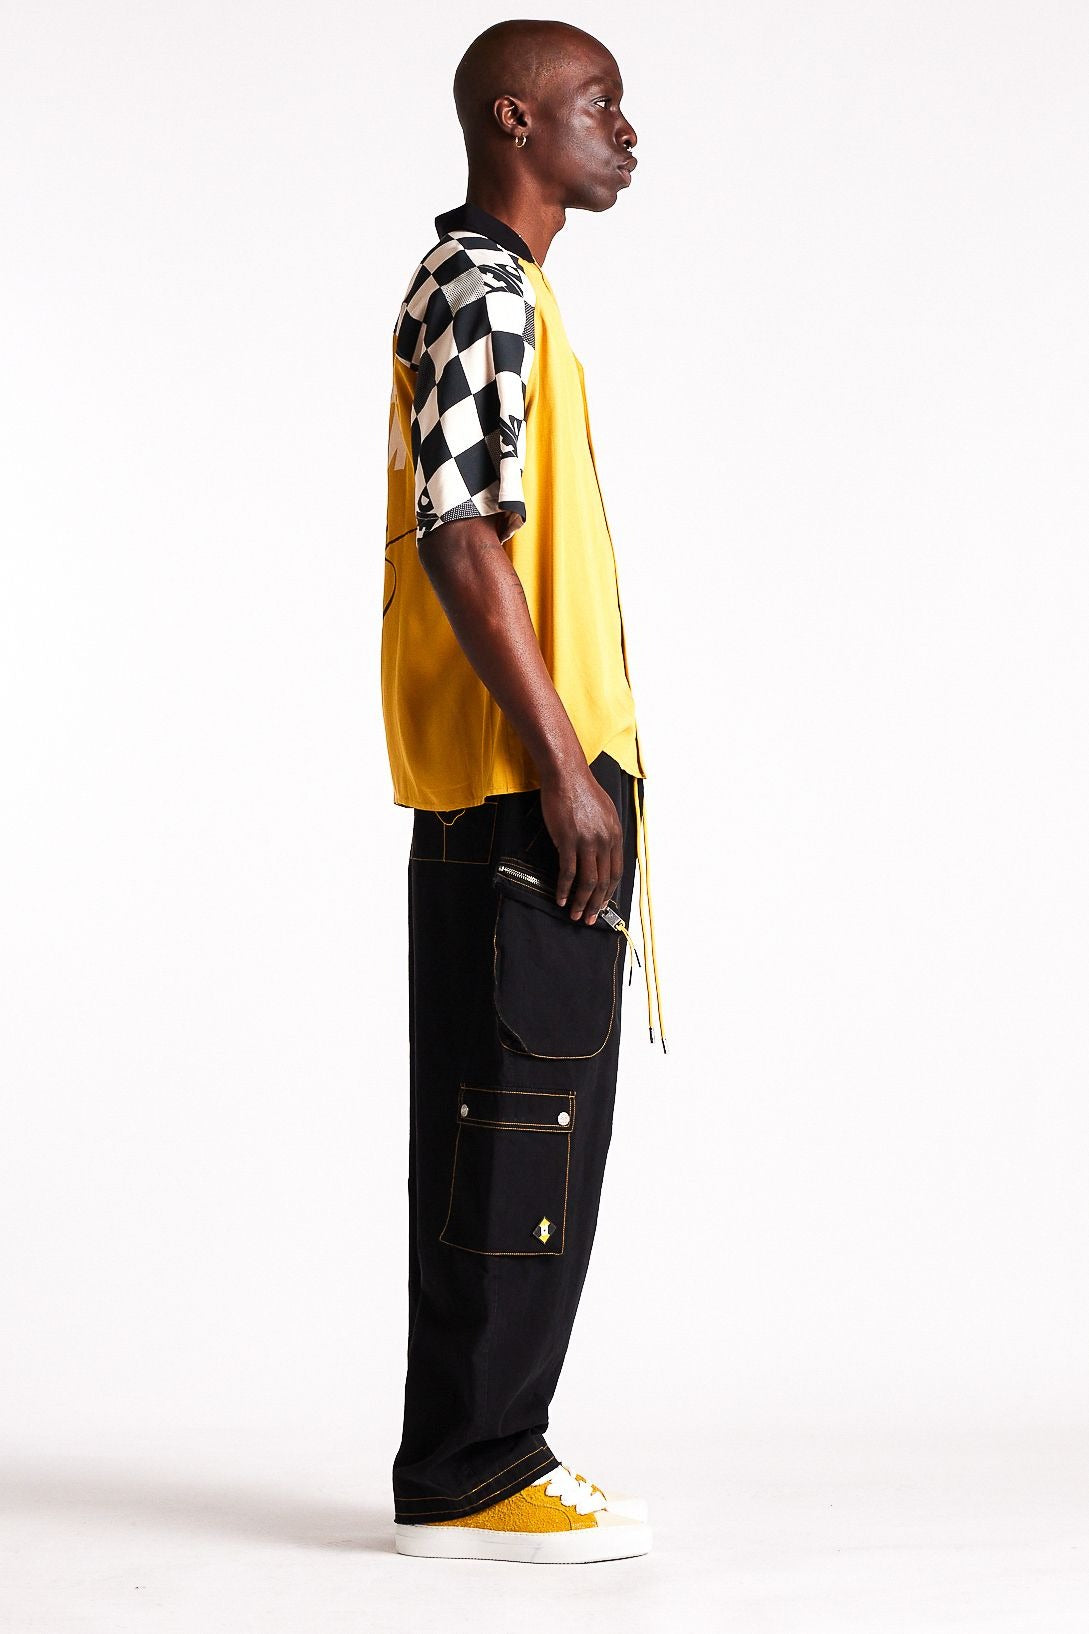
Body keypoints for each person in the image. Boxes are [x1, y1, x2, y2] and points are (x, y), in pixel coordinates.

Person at [380, 17, 666, 1565]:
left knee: (509, 1122)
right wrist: (564, 768)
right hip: (519, 787)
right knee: (517, 1128)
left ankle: (472, 1457)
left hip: (519, 783)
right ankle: (481, 1469)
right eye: (596, 104)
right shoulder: (483, 286)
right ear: (512, 120)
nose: (625, 130)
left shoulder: (510, 295)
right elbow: (460, 531)